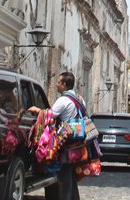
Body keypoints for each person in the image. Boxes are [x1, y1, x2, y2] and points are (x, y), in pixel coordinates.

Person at [48, 71, 87, 200]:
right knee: (71, 175)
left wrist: (38, 111)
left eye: (58, 82)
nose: (57, 85)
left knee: (64, 177)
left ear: (64, 84)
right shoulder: (80, 99)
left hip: (66, 142)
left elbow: (50, 115)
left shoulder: (63, 100)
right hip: (78, 143)